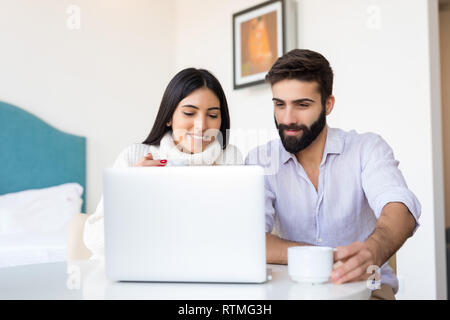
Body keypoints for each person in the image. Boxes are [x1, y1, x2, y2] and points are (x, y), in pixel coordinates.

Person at [245, 49, 421, 300]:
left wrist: (374, 248)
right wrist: (327, 257)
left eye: (302, 105)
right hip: (294, 292)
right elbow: (251, 239)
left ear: (328, 104)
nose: (288, 118)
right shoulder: (260, 161)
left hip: (368, 293)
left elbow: (400, 209)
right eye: (279, 104)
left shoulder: (367, 148)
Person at [83, 68, 243, 258]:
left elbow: (238, 235)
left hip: (202, 266)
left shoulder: (230, 159)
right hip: (141, 268)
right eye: (190, 113)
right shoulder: (135, 156)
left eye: (213, 115)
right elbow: (95, 242)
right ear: (168, 117)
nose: (202, 125)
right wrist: (131, 192)